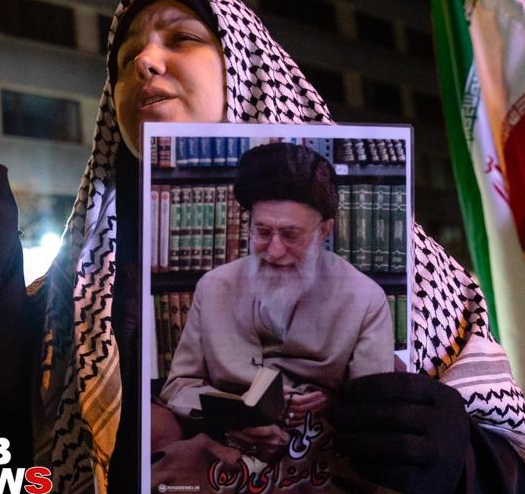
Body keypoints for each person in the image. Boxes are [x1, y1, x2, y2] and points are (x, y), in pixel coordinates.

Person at [0, 0, 525, 494]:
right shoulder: (66, 301)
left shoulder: (413, 278)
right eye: (125, 59)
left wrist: (456, 463)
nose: (145, 62)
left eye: (181, 38)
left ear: (245, 67)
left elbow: (520, 471)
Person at [160, 143, 394, 458]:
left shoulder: (365, 298)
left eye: (290, 235)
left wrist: (330, 405)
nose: (274, 251)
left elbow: (374, 406)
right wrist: (234, 418)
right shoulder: (214, 287)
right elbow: (178, 388)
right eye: (263, 232)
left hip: (323, 450)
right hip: (224, 443)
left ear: (324, 231)